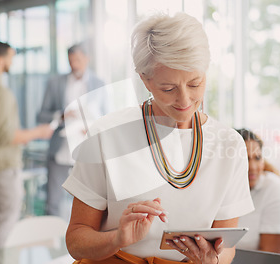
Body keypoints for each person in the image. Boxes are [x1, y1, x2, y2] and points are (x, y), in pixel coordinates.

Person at [62, 13, 254, 264]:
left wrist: (212, 260)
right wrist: (118, 238)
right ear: (145, 79)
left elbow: (226, 246)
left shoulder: (229, 144)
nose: (184, 101)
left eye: (195, 84)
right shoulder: (107, 134)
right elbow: (76, 241)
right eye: (168, 89)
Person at [0, 40, 53, 255]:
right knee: (6, 224)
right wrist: (39, 132)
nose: (12, 62)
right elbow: (6, 136)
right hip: (1, 168)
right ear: (0, 59)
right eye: (11, 57)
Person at [37, 43, 108, 218]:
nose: (74, 64)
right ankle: (52, 241)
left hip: (87, 151)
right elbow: (40, 116)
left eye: (77, 60)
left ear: (87, 59)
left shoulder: (99, 84)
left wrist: (92, 128)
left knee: (90, 201)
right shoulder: (55, 83)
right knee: (53, 201)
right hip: (60, 151)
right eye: (70, 61)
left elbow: (107, 118)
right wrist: (61, 116)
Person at [235, 129, 280, 255]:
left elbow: (267, 259)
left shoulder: (275, 189)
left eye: (257, 158)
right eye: (244, 159)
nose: (252, 167)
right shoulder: (221, 190)